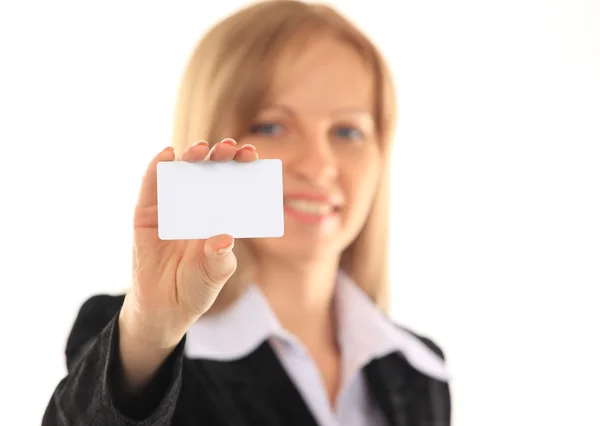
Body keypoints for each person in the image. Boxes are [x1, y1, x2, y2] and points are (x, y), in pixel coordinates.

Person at [42, 1, 451, 425]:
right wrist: (152, 333)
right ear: (214, 138)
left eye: (348, 131)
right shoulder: (136, 349)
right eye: (272, 126)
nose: (317, 166)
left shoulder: (417, 369)